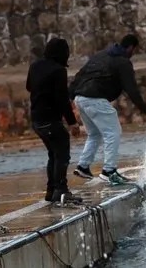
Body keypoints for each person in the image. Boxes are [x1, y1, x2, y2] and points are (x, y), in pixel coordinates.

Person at [69, 34, 146, 182]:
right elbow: (131, 89)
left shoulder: (101, 55)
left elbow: (80, 75)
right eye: (135, 50)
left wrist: (70, 98)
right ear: (132, 47)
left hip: (80, 97)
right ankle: (109, 171)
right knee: (113, 133)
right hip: (95, 98)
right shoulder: (123, 62)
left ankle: (83, 166)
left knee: (94, 134)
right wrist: (145, 110)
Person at [26, 37, 83, 204]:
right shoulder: (58, 70)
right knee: (61, 154)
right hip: (50, 119)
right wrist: (72, 122)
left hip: (37, 119)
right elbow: (62, 100)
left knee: (53, 154)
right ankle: (61, 190)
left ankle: (51, 190)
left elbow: (29, 86)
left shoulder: (35, 66)